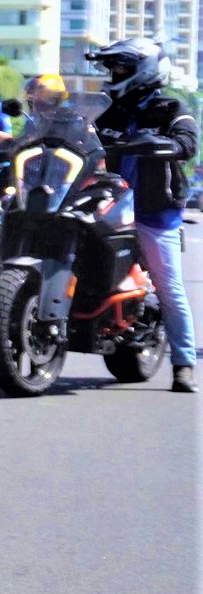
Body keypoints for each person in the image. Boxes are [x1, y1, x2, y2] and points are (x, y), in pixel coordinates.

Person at [88, 37, 196, 394]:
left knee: (169, 287)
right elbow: (85, 140)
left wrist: (167, 145)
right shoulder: (112, 110)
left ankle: (183, 363)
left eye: (121, 66)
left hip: (153, 210)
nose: (114, 73)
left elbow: (187, 142)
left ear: (143, 70)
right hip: (110, 204)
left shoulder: (170, 107)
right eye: (112, 67)